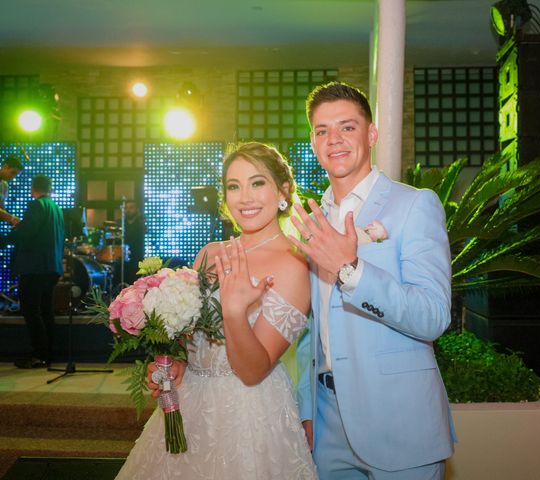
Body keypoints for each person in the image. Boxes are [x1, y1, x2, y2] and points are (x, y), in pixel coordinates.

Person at [115, 142, 318, 479]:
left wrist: (235, 311)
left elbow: (253, 371)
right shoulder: (210, 253)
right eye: (233, 186)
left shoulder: (293, 264)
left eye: (257, 183)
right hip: (191, 400)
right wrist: (174, 361)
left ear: (282, 190)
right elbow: (191, 338)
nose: (245, 197)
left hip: (249, 413)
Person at [289, 82, 455, 479]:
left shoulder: (414, 204)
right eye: (322, 130)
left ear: (371, 133)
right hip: (327, 423)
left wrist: (351, 270)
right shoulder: (315, 219)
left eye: (347, 127)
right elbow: (313, 327)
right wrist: (307, 408)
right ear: (312, 142)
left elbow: (433, 316)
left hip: (399, 419)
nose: (334, 140)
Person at [0, 174, 64, 368]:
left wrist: (4, 238)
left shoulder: (36, 205)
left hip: (35, 267)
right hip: (52, 266)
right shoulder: (56, 208)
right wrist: (16, 222)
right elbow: (36, 230)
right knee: (45, 311)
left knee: (31, 310)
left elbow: (27, 232)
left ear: (33, 188)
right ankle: (48, 353)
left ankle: (39, 354)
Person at [122, 200, 145, 285]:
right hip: (123, 260)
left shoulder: (141, 224)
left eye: (131, 208)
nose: (128, 210)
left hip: (137, 259)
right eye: (126, 208)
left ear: (137, 209)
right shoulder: (121, 224)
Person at [0, 154, 24, 226]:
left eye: (15, 175)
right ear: (5, 167)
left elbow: (1, 208)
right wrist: (12, 219)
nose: (13, 177)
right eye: (13, 172)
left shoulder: (4, 185)